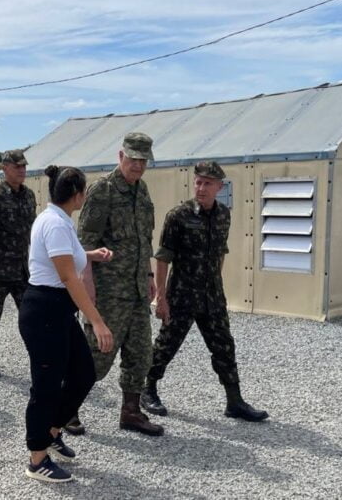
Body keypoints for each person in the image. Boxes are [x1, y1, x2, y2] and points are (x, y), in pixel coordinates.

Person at [141, 161, 268, 422]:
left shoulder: (223, 214)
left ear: (219, 187)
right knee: (167, 344)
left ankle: (234, 401)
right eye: (198, 182)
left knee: (224, 346)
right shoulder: (179, 215)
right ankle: (148, 390)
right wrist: (161, 298)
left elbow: (220, 252)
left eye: (207, 183)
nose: (201, 188)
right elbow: (164, 257)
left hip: (212, 296)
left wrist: (216, 284)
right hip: (182, 295)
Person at [20, 166, 114, 483]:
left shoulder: (59, 220)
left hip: (57, 310)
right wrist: (98, 321)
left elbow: (62, 257)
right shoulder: (55, 223)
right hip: (45, 309)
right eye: (84, 192)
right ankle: (37, 459)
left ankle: (52, 430)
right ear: (78, 195)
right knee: (46, 385)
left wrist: (90, 255)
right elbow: (67, 277)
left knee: (83, 373)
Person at [75, 132, 164, 436]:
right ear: (120, 156)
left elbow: (144, 239)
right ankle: (67, 409)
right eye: (133, 158)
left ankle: (130, 412)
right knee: (97, 359)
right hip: (109, 293)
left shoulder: (142, 191)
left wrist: (150, 276)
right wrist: (88, 290)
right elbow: (84, 244)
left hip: (138, 291)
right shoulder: (103, 191)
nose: (138, 165)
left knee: (141, 355)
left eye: (143, 160)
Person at [0, 149, 37, 377]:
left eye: (24, 166)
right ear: (4, 168)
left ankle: (38, 355)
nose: (22, 170)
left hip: (22, 270)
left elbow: (33, 233)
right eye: (17, 166)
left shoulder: (29, 196)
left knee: (32, 315)